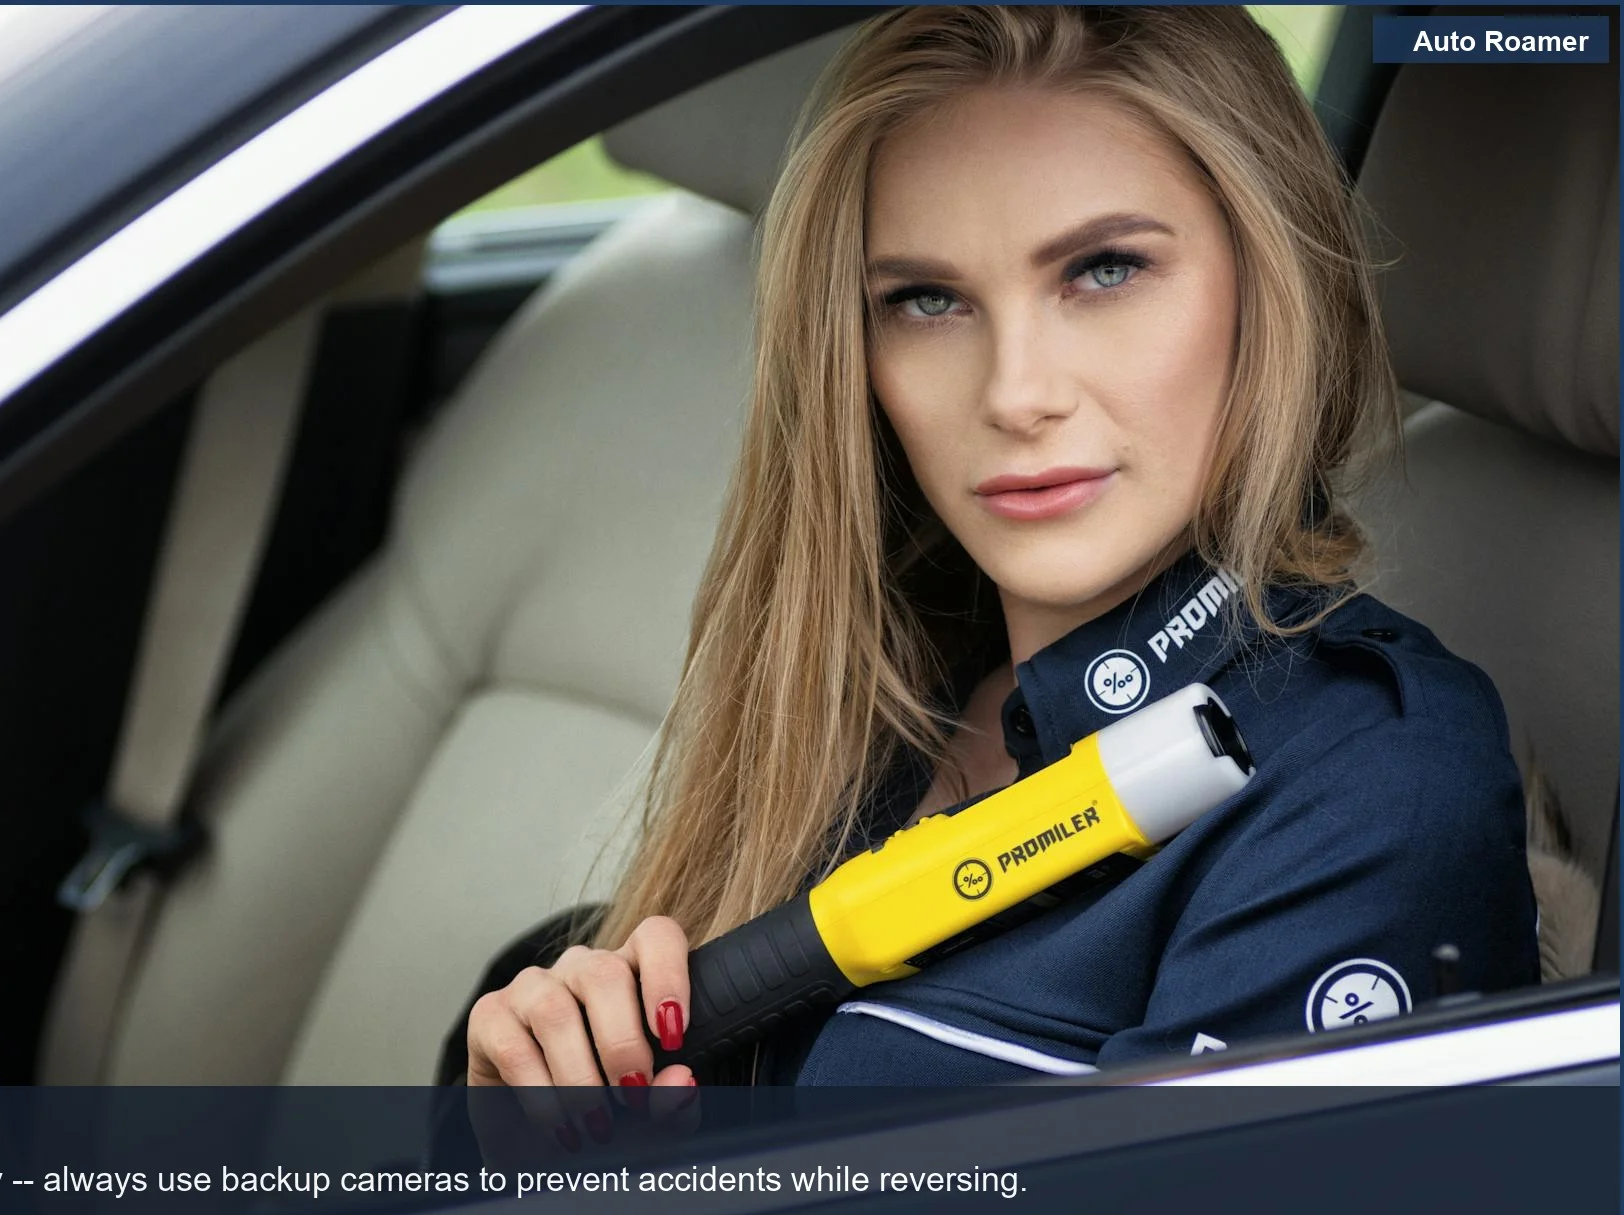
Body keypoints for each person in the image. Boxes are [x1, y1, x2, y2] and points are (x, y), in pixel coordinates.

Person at [459, 5, 1540, 1124]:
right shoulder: (851, 700)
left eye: (1103, 270)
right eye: (926, 301)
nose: (1013, 393)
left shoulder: (1370, 789)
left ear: (1267, 289)